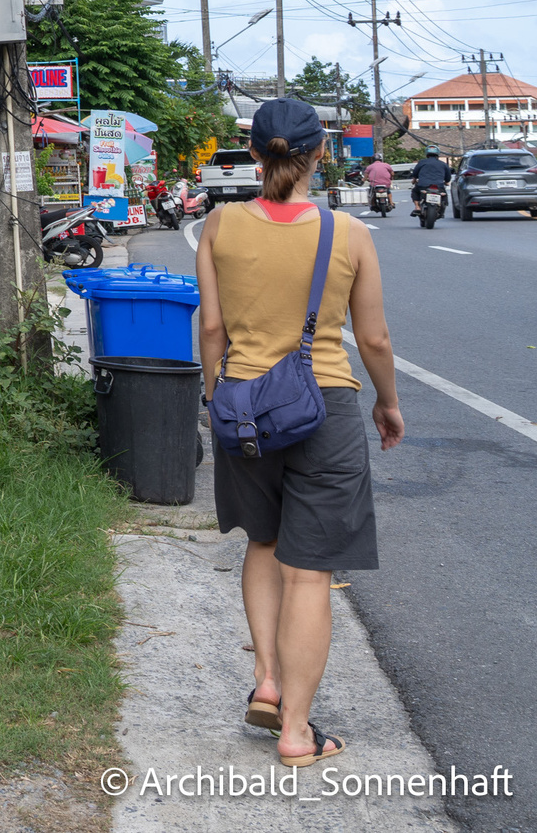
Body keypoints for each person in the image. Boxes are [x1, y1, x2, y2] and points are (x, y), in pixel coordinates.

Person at [195, 97, 405, 770]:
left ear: (254, 153)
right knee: (310, 572)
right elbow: (373, 337)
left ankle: (267, 679)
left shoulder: (219, 225)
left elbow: (212, 329)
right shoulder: (349, 233)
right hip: (325, 406)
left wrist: (217, 399)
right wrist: (387, 402)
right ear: (320, 153)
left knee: (263, 540)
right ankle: (294, 732)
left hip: (243, 408)